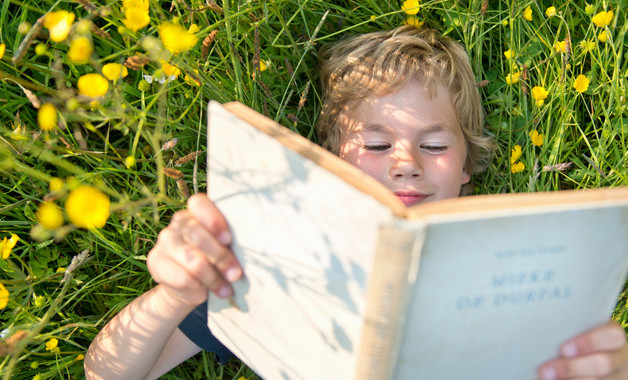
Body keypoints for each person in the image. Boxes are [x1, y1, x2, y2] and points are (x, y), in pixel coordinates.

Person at [84, 26, 628, 380]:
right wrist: (175, 295)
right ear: (333, 161)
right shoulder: (275, 259)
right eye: (375, 144)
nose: (404, 162)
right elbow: (106, 374)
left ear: (466, 167)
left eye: (434, 145)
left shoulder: (518, 276)